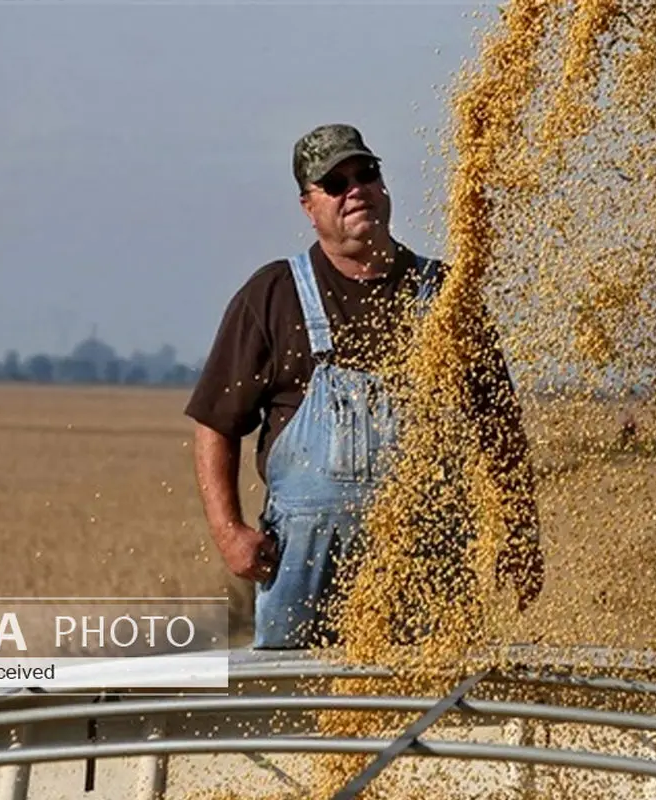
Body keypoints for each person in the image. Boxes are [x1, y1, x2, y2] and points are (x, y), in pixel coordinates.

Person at [184, 123, 544, 650]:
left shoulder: (445, 295)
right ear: (309, 206)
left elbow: (498, 426)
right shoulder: (274, 295)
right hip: (306, 565)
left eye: (365, 174)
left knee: (431, 710)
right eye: (335, 183)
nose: (355, 189)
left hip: (429, 555)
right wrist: (228, 531)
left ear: (383, 185)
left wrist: (519, 529)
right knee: (301, 716)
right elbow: (216, 424)